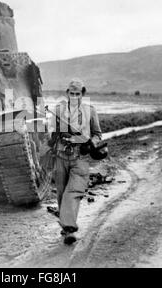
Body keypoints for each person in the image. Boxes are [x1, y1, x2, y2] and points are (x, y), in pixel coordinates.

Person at [48, 78, 102, 245]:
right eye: (71, 93)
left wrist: (90, 143)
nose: (74, 96)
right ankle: (66, 228)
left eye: (77, 94)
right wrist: (57, 137)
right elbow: (51, 133)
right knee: (62, 193)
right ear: (67, 93)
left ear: (82, 94)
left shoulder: (90, 111)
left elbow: (97, 134)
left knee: (73, 192)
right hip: (61, 156)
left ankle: (70, 229)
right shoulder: (58, 110)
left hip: (80, 158)